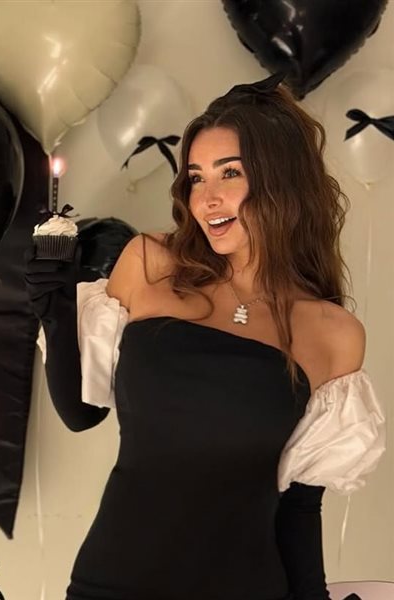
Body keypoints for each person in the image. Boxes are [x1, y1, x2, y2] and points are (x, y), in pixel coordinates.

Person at [25, 73, 385, 600]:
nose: (207, 199)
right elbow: (82, 413)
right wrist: (53, 307)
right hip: (113, 584)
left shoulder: (333, 333)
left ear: (281, 181)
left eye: (230, 173)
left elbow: (299, 507)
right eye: (196, 178)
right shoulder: (151, 263)